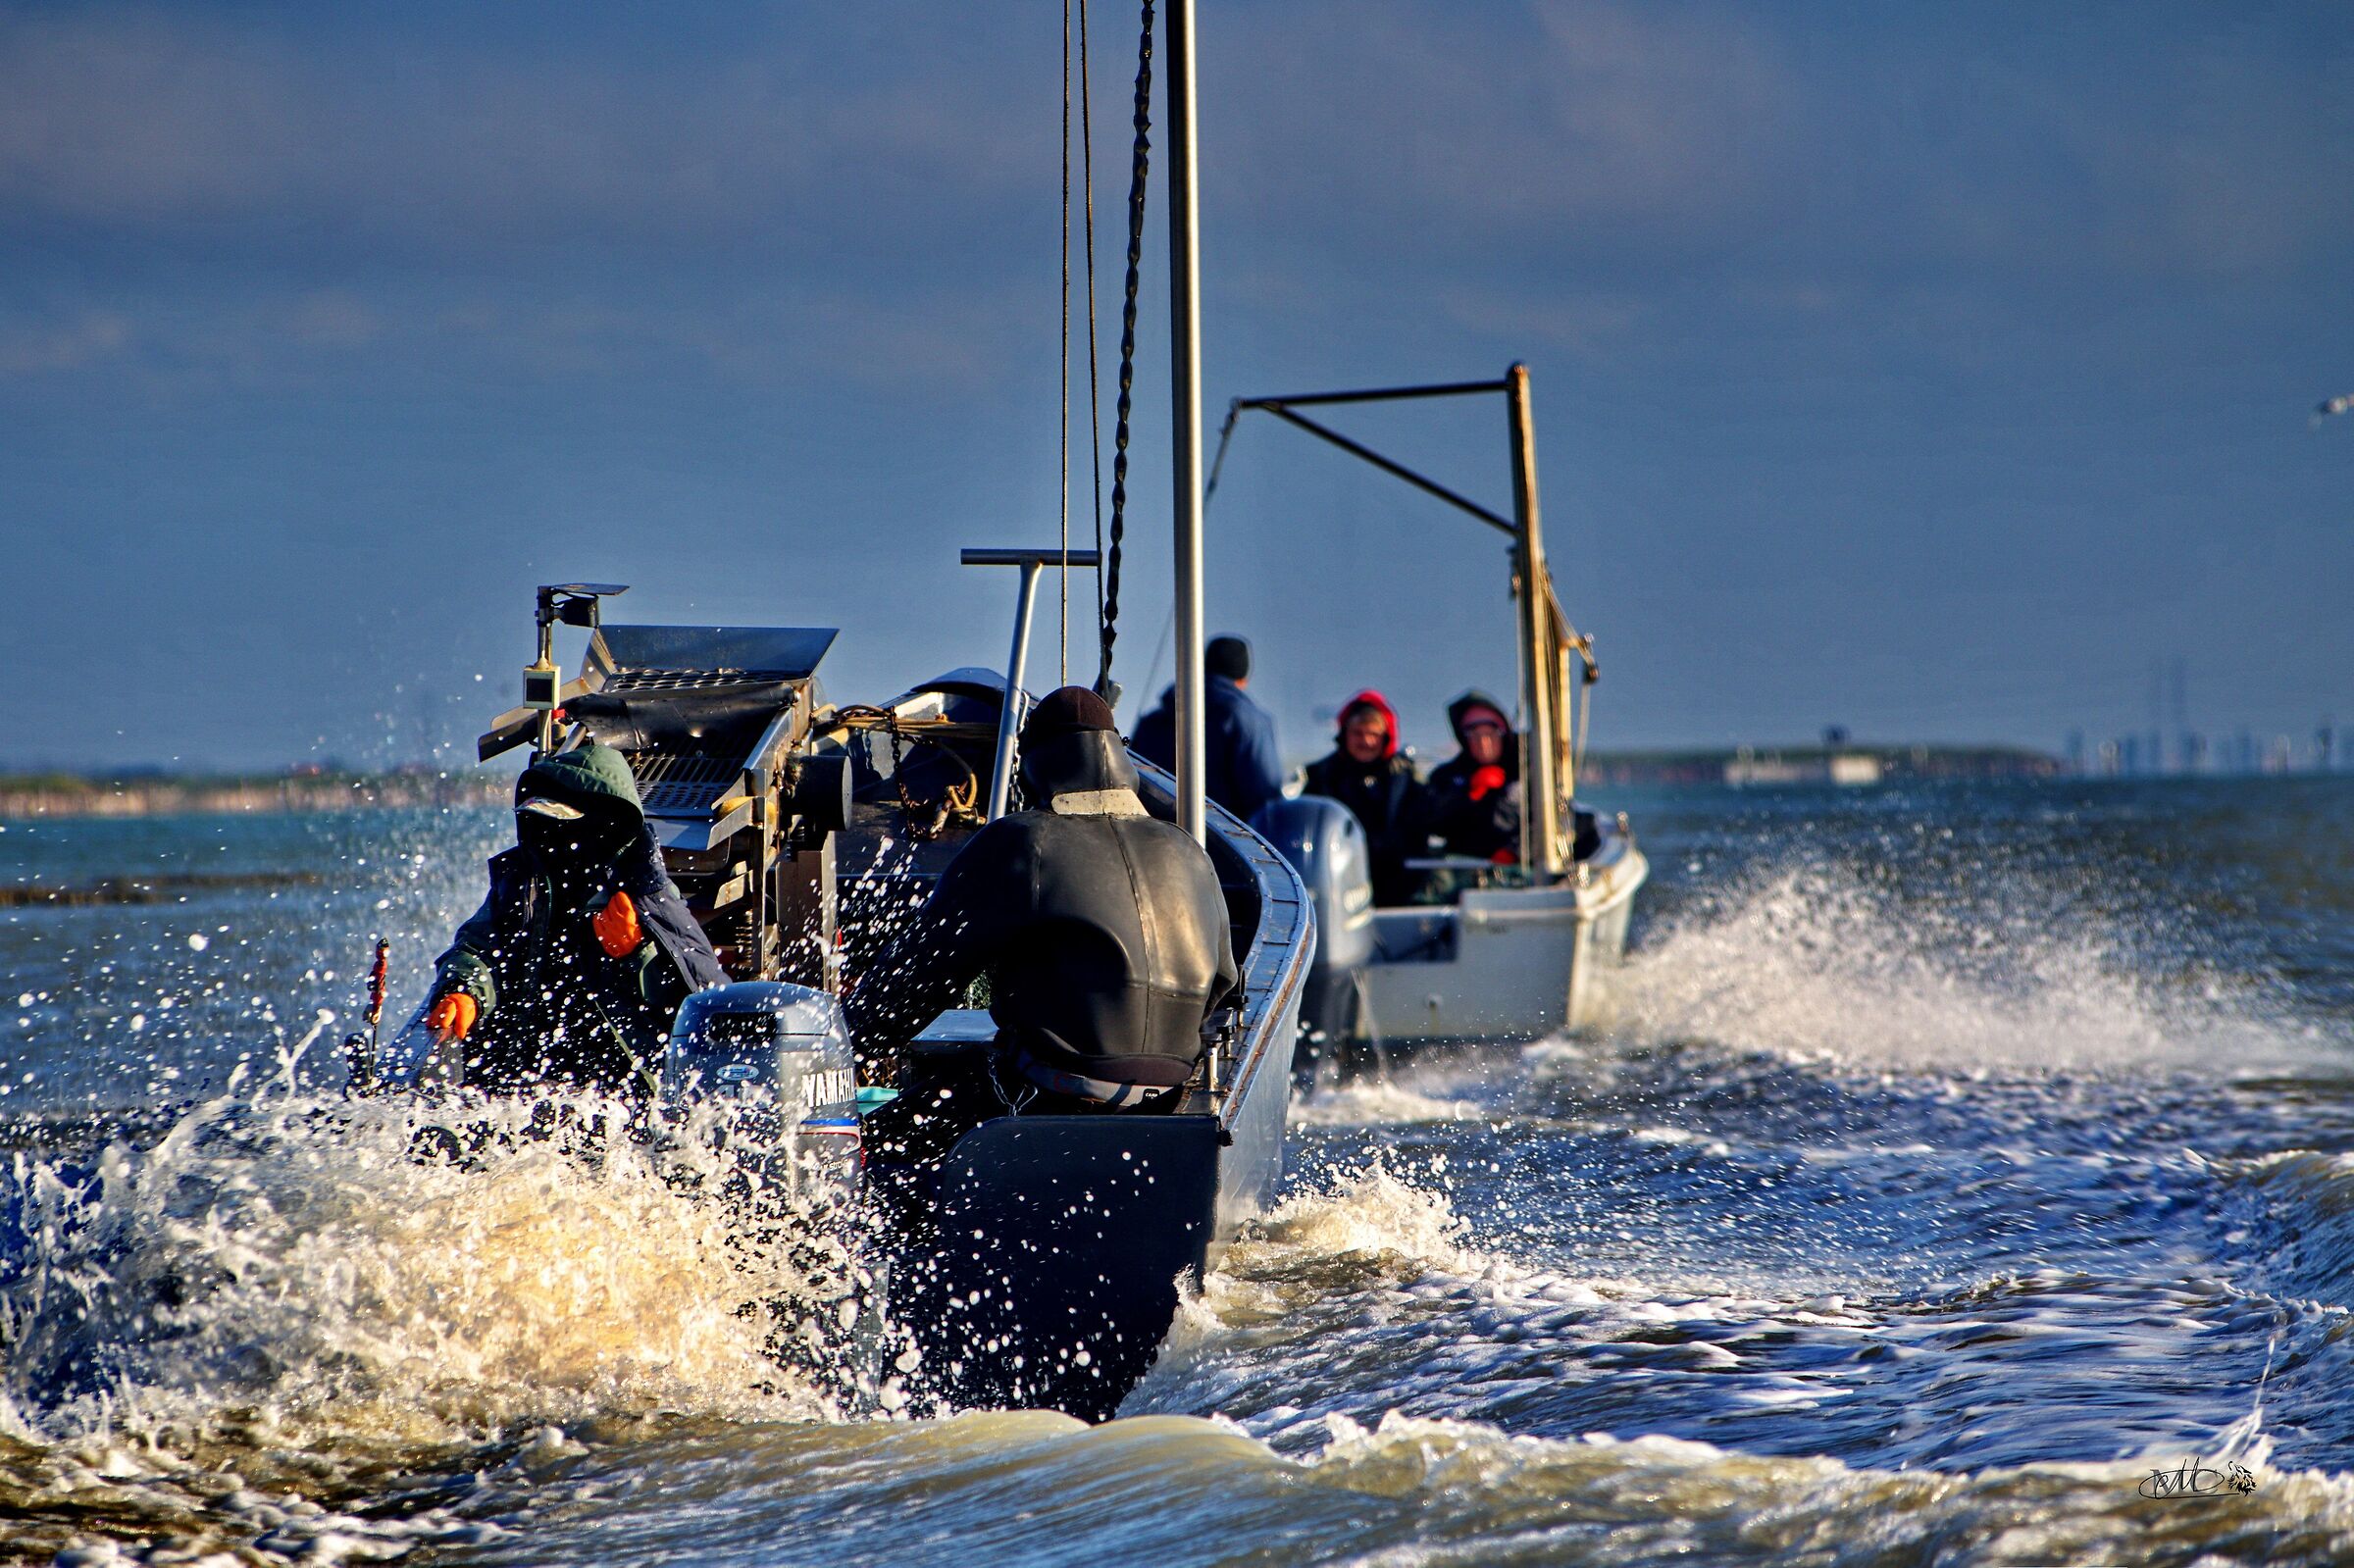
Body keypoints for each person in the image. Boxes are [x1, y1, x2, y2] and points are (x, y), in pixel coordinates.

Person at [848, 686, 1239, 1182]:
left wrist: (850, 1044)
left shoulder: (1021, 841)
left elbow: (920, 977)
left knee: (875, 1144)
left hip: (1053, 1098)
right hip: (1170, 1101)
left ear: (1032, 764)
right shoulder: (1190, 852)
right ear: (1119, 756)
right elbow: (1226, 985)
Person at [424, 742, 729, 1095]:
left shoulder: (646, 893)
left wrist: (638, 955)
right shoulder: (523, 881)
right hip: (525, 1070)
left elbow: (706, 1000)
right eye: (544, 821)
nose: (554, 835)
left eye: (563, 821)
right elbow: (478, 947)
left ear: (607, 822)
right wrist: (463, 991)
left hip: (622, 1085)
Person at [1131, 633, 1283, 823]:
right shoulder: (1249, 720)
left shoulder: (1154, 720)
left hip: (1157, 840)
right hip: (1219, 845)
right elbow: (1265, 798)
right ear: (1243, 678)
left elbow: (1135, 780)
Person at [1301, 688, 1428, 906]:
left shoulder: (1406, 777)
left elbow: (1424, 822)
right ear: (1344, 734)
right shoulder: (1321, 776)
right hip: (1340, 884)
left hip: (1399, 882)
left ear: (1386, 737)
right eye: (1358, 733)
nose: (1366, 741)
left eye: (1373, 734)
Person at [1423, 689, 1522, 864]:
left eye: (1490, 733)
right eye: (1474, 735)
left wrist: (1513, 852)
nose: (1483, 743)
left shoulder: (1529, 769)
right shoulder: (1446, 776)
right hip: (1465, 869)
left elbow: (1552, 820)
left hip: (1521, 867)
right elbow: (1432, 822)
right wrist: (1469, 794)